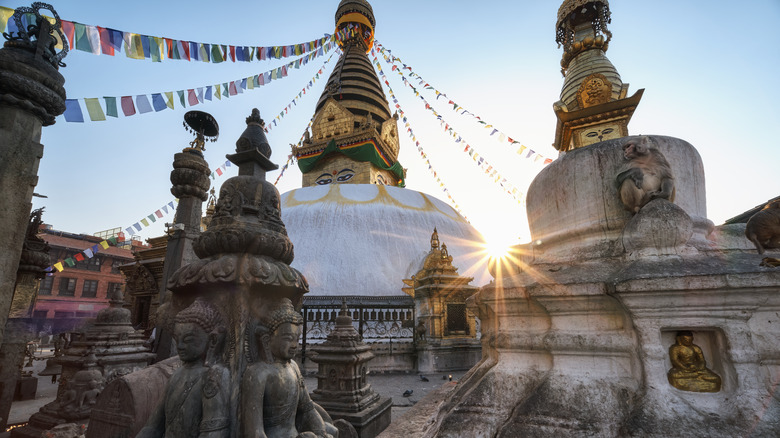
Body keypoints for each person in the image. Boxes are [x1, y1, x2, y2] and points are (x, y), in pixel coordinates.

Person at [137, 298, 229, 438]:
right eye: (177, 339)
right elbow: (153, 426)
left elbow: (214, 432)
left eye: (188, 340)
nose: (180, 346)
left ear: (213, 340)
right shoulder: (177, 374)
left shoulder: (214, 375)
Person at [241, 299, 332, 438]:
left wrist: (321, 433)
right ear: (266, 339)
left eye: (297, 338)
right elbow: (255, 432)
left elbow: (308, 409)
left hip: (295, 434)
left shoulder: (294, 367)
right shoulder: (257, 374)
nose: (295, 345)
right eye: (288, 338)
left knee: (331, 431)